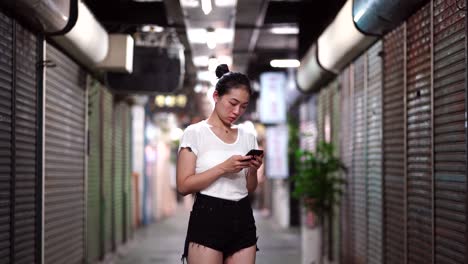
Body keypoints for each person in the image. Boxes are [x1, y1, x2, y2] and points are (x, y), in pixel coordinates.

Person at [177, 64, 264, 264]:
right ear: (216, 96)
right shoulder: (195, 133)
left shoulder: (248, 136)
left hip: (242, 216)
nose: (237, 111)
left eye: (243, 106)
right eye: (232, 103)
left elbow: (249, 188)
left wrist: (252, 170)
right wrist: (223, 168)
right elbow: (183, 185)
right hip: (208, 216)